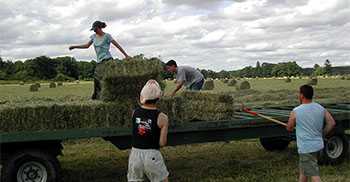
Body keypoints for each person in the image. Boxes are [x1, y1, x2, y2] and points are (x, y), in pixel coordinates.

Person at [287, 84, 336, 182]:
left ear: (302, 95)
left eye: (299, 93)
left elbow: (289, 128)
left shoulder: (296, 111)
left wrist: (290, 125)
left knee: (314, 174)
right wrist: (322, 133)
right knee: (304, 171)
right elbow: (332, 123)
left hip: (306, 147)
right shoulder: (320, 108)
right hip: (317, 145)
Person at [69, 20, 129, 99]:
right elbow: (87, 45)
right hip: (99, 61)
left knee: (101, 77)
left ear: (99, 28)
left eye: (95, 29)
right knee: (96, 78)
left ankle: (101, 96)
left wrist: (126, 55)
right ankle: (98, 96)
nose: (94, 31)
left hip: (107, 60)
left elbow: (117, 45)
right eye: (93, 29)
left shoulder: (107, 36)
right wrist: (74, 46)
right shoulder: (93, 37)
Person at [128, 80, 169, 182]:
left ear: (142, 97)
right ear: (159, 98)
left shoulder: (134, 113)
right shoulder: (162, 117)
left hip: (134, 155)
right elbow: (162, 143)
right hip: (152, 155)